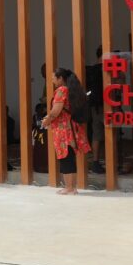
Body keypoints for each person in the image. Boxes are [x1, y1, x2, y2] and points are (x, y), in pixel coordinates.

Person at [41, 67, 92, 195]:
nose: (52, 80)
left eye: (54, 78)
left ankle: (69, 188)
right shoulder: (70, 90)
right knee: (69, 157)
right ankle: (72, 187)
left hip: (64, 129)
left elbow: (56, 110)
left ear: (60, 79)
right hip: (71, 128)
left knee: (65, 158)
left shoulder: (61, 90)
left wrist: (47, 120)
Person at [86, 46, 105, 174]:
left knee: (96, 134)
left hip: (94, 106)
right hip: (107, 105)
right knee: (111, 132)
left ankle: (95, 161)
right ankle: (112, 160)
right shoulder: (107, 69)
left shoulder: (91, 70)